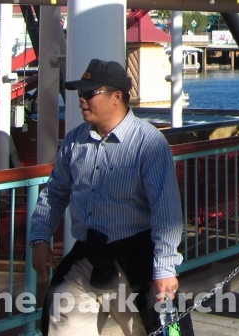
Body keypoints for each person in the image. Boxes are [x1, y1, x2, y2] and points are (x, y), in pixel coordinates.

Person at [29, 59, 183, 336]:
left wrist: (164, 270)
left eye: (89, 93)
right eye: (80, 94)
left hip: (135, 260)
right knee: (60, 323)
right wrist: (40, 238)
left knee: (154, 330)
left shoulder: (149, 144)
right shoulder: (75, 141)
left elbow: (166, 213)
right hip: (87, 256)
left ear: (117, 97)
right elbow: (55, 191)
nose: (82, 100)